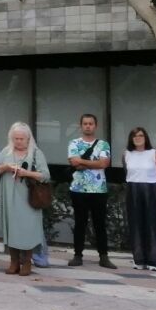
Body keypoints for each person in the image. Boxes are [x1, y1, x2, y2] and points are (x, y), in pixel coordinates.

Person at [0, 122, 50, 277]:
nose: (18, 141)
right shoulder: (6, 151)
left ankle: (27, 262)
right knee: (12, 227)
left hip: (29, 197)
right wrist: (6, 167)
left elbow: (45, 175)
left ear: (28, 139)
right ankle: (14, 261)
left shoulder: (36, 153)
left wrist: (27, 173)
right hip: (9, 195)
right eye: (15, 138)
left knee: (28, 228)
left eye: (21, 139)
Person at [67, 114, 115, 269]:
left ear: (96, 126)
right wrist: (94, 163)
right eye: (85, 123)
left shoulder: (103, 144)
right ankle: (77, 255)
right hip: (79, 189)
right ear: (81, 126)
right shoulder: (74, 143)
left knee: (100, 224)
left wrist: (82, 161)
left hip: (99, 189)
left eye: (91, 123)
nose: (88, 126)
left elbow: (104, 164)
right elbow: (75, 164)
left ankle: (104, 256)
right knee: (80, 223)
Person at [123, 127, 156, 271]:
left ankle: (154, 259)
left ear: (146, 137)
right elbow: (126, 171)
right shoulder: (126, 154)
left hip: (151, 189)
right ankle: (139, 259)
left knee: (153, 224)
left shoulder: (154, 154)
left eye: (141, 135)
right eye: (134, 136)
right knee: (136, 223)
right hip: (133, 189)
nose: (138, 138)